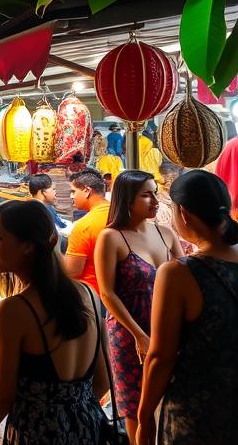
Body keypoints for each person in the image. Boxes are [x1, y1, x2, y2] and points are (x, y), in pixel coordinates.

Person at [0, 201, 110, 444]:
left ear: (27, 245)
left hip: (36, 432)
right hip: (89, 425)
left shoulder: (14, 309)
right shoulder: (89, 294)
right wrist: (72, 409)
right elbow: (103, 381)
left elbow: (3, 393)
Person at [137, 170, 238, 445]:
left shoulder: (179, 273)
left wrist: (144, 416)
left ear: (183, 213)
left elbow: (161, 357)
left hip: (198, 414)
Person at [93, 169, 181, 444]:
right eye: (146, 195)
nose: (155, 200)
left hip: (168, 329)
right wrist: (138, 335)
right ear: (127, 200)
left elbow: (184, 277)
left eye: (155, 192)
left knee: (172, 398)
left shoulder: (166, 233)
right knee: (134, 403)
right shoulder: (112, 237)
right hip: (128, 332)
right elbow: (107, 293)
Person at [63, 168, 110, 293]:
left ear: (87, 191)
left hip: (94, 296)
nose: (71, 196)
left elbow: (72, 272)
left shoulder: (84, 226)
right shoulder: (118, 214)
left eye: (73, 191)